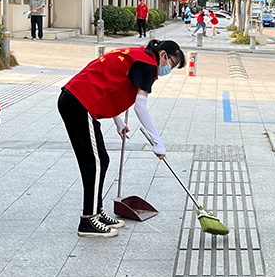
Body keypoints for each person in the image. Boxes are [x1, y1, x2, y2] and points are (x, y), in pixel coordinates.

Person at [58, 39, 186, 237]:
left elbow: (111, 85)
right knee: (94, 164)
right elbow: (140, 106)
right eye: (172, 64)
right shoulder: (148, 65)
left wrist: (118, 121)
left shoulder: (138, 56)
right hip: (79, 103)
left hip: (77, 101)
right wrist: (157, 143)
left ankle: (97, 212)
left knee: (102, 160)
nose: (169, 69)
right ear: (163, 55)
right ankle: (88, 220)